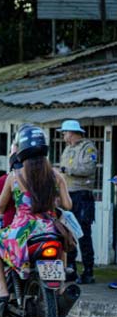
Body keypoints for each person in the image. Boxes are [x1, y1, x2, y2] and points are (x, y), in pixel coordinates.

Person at [0, 126, 72, 317]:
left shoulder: (14, 177)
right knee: (62, 244)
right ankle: (59, 286)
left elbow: (1, 207)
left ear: (21, 150)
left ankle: (1, 288)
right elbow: (68, 205)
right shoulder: (56, 175)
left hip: (22, 231)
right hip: (50, 227)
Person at [58, 119, 98, 284]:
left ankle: (88, 271)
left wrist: (67, 170)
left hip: (82, 195)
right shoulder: (68, 149)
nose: (64, 135)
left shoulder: (88, 148)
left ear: (73, 133)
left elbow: (89, 168)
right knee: (69, 232)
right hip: (68, 194)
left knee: (83, 233)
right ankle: (71, 268)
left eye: (65, 132)